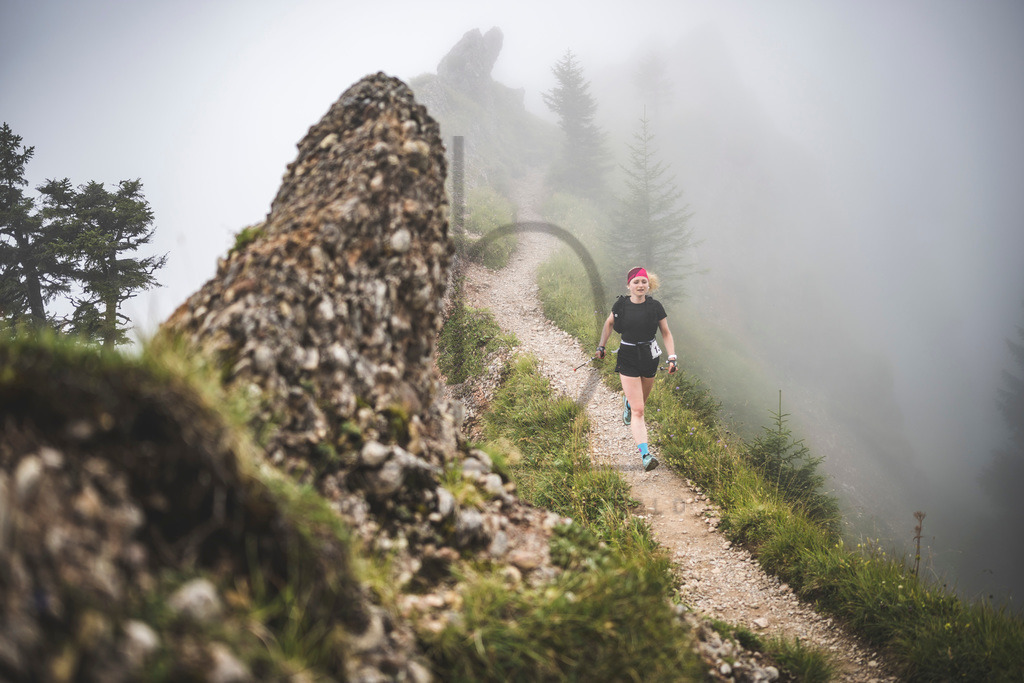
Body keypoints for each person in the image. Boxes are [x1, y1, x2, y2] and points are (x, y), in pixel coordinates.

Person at [596, 266, 677, 471]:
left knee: (639, 404)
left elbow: (665, 333)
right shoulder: (621, 305)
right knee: (639, 410)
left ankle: (628, 402)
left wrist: (672, 357)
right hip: (628, 356)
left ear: (648, 284)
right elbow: (609, 324)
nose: (640, 285)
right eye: (636, 282)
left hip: (650, 357)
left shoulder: (655, 307)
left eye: (643, 282)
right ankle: (646, 455)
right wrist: (601, 346)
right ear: (629, 285)